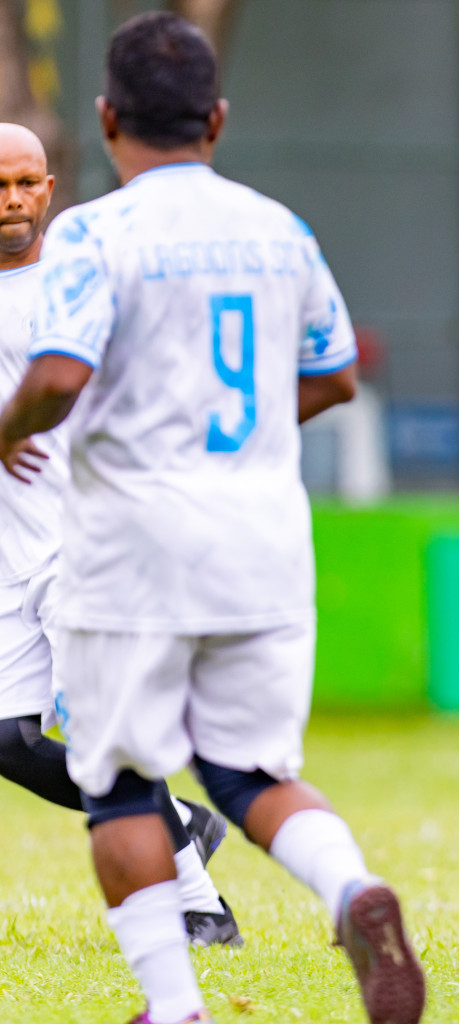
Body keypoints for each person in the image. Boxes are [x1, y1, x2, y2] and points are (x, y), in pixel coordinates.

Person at [0, 15, 425, 1024]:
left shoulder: (99, 234)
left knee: (120, 781)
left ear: (104, 121)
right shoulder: (282, 229)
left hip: (133, 547)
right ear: (218, 118)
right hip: (264, 543)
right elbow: (332, 376)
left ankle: (176, 1006)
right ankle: (352, 888)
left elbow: (58, 374)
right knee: (249, 772)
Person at [0, 121, 240, 948]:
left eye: (27, 183)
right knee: (8, 740)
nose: (13, 200)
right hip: (11, 558)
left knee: (104, 734)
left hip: (84, 547)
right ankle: (178, 818)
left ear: (49, 190)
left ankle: (203, 906)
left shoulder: (74, 287)